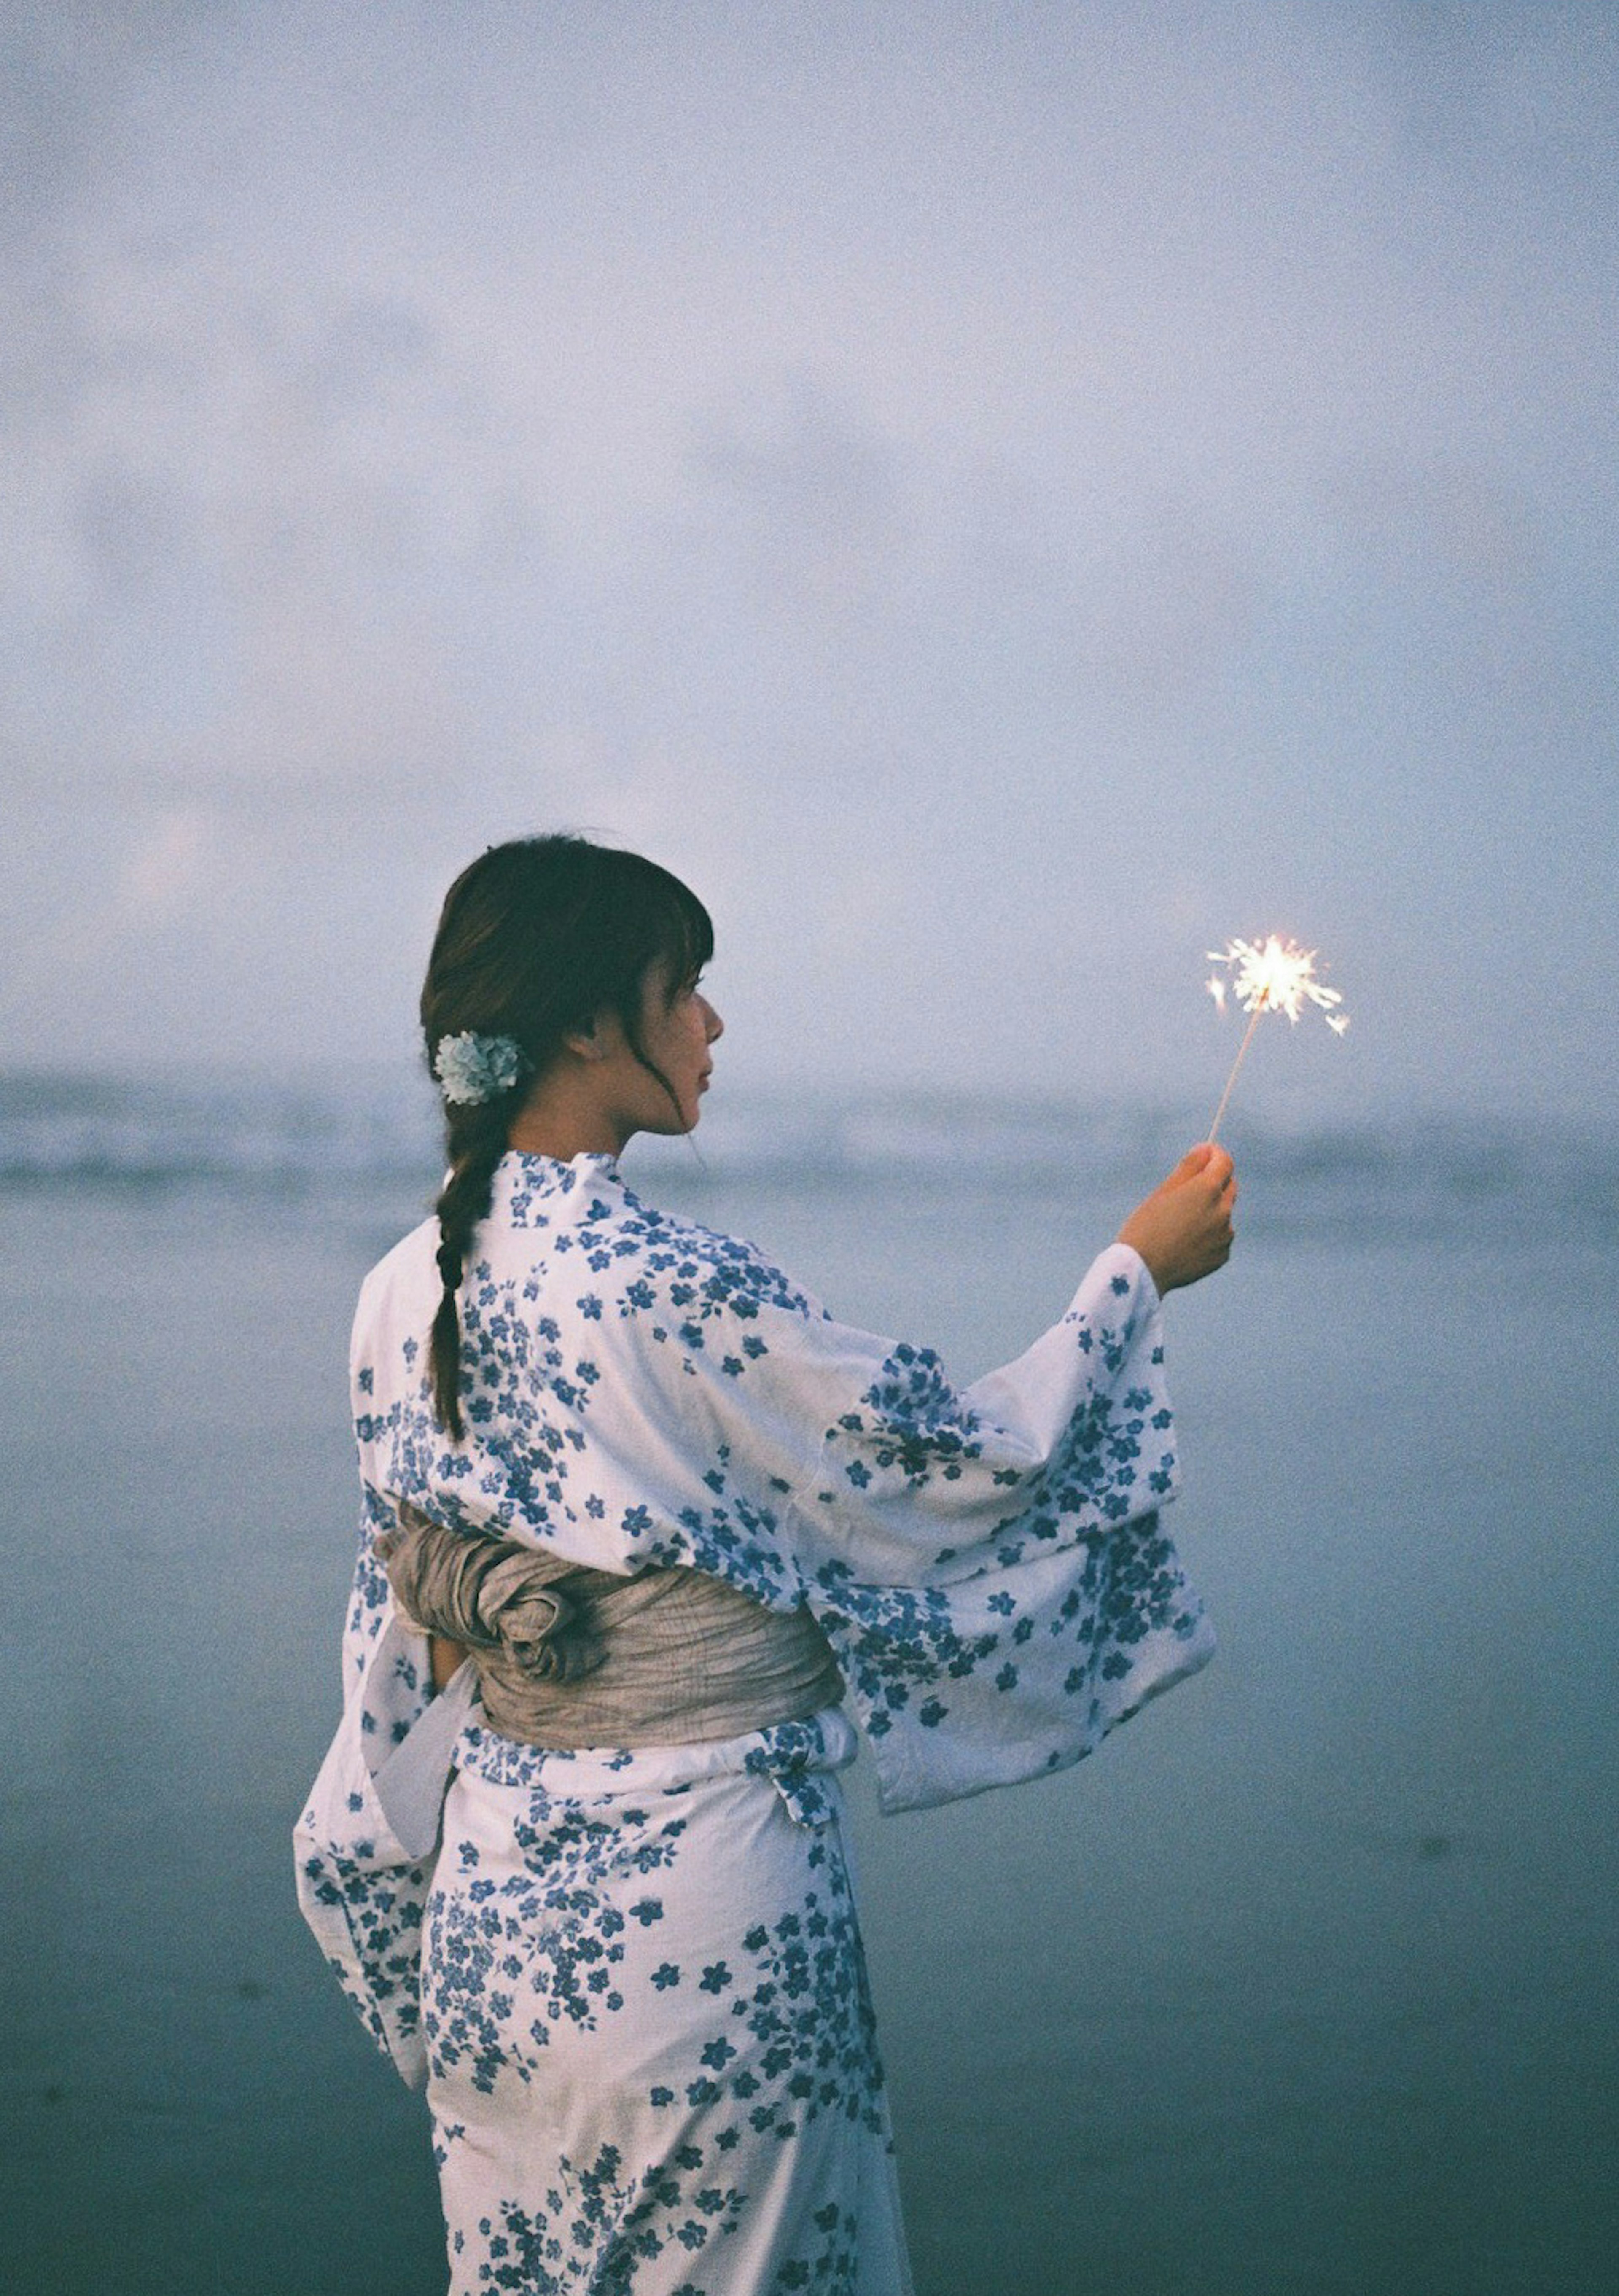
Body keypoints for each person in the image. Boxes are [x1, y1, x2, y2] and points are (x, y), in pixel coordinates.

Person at [296, 832, 1235, 2296]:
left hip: (492, 1911)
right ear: (592, 1024)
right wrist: (1134, 1274)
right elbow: (952, 1467)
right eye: (686, 991)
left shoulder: (397, 1284)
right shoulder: (667, 1281)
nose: (712, 1027)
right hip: (696, 1918)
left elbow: (394, 1624)